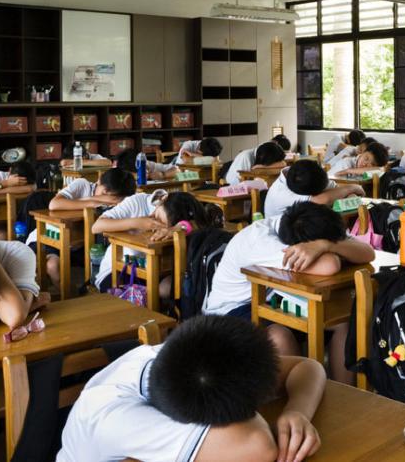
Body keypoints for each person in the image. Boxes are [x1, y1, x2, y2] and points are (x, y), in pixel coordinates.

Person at [57, 315, 326, 462]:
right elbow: (258, 448)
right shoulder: (121, 420)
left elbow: (307, 367)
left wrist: (297, 412)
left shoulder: (187, 357)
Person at [204, 202, 374, 383]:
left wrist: (326, 245)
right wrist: (329, 248)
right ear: (299, 245)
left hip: (274, 296)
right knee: (279, 336)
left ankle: (343, 395)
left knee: (341, 322)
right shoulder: (262, 242)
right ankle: (304, 396)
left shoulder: (312, 225)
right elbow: (330, 265)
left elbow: (368, 252)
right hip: (231, 310)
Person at [27, 168, 136, 290]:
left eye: (111, 198)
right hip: (50, 237)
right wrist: (96, 201)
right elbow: (54, 204)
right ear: (98, 182)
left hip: (80, 246)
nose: (107, 199)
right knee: (53, 267)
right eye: (104, 193)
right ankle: (71, 302)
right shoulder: (82, 185)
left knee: (106, 267)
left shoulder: (122, 202)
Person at [91, 191, 223, 292]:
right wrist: (137, 222)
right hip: (118, 272)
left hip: (158, 270)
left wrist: (181, 227)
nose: (156, 223)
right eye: (158, 217)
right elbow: (96, 227)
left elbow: (203, 224)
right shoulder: (138, 201)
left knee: (179, 285)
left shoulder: (182, 212)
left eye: (163, 225)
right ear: (162, 200)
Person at [263, 160, 364, 219]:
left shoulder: (307, 173)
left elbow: (336, 189)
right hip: (282, 237)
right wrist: (352, 187)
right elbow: (323, 199)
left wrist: (351, 195)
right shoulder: (281, 192)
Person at [114, 148, 178, 181]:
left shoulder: (145, 164)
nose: (146, 172)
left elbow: (179, 170)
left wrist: (163, 174)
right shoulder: (120, 173)